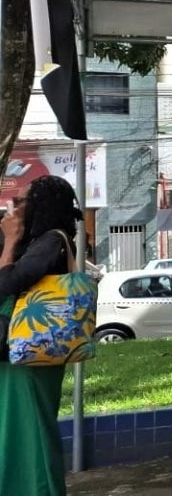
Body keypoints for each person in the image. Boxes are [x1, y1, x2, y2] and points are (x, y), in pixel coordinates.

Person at [0, 175, 84, 495]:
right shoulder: (34, 242)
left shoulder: (51, 242)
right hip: (17, 352)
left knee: (32, 429)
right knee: (14, 429)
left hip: (34, 353)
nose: (14, 206)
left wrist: (10, 241)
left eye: (21, 200)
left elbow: (6, 284)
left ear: (41, 205)